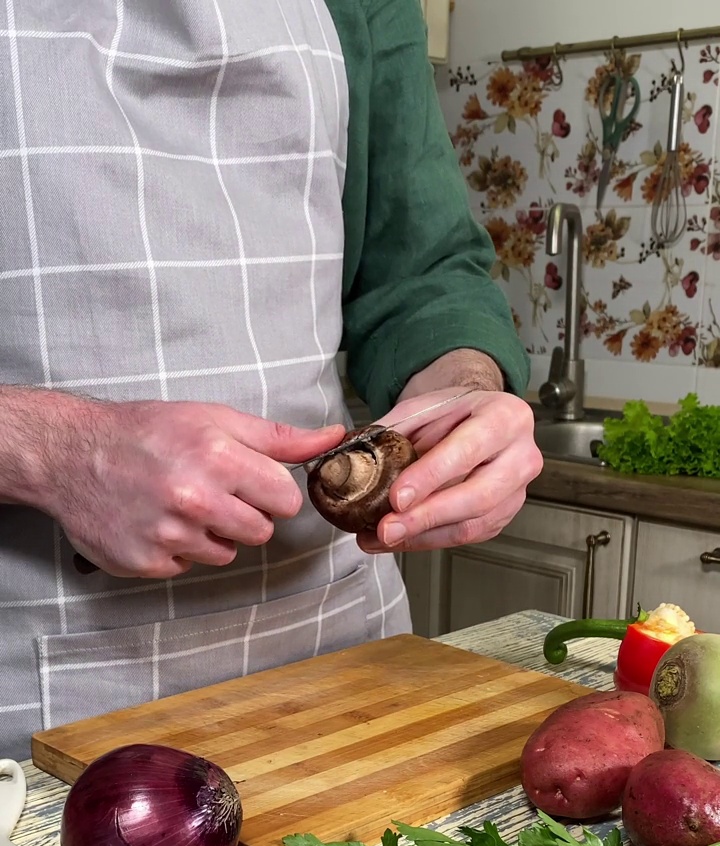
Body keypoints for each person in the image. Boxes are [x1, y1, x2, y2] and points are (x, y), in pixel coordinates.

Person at [0, 0, 541, 762]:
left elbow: (422, 273)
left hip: (338, 646)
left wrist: (469, 385)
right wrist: (52, 451)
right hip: (32, 687)